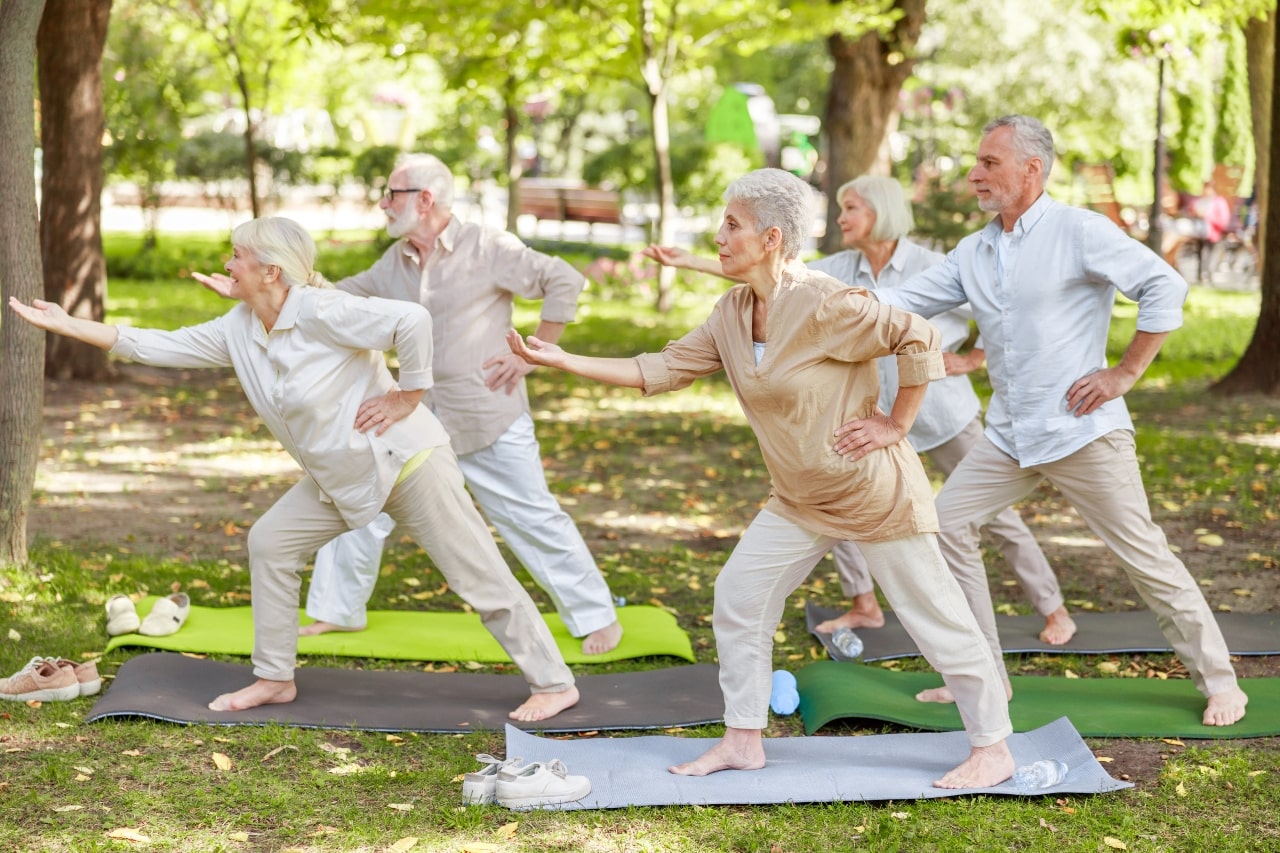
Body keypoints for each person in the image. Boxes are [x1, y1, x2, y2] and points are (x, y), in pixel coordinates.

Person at [509, 168, 1015, 789]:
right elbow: (662, 367)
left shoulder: (825, 301)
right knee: (739, 598)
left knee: (935, 618)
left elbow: (918, 335)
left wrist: (895, 423)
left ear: (772, 237)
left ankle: (993, 748)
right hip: (800, 498)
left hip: (871, 494)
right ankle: (743, 739)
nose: (718, 236)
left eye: (732, 224)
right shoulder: (732, 311)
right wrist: (563, 359)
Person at [9, 217, 579, 722]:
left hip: (406, 462)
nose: (227, 263)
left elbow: (412, 320)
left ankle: (555, 686)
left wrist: (409, 395)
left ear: (272, 271)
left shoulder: (322, 311)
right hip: (342, 477)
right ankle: (275, 677)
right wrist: (69, 324)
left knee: (477, 576)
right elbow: (154, 344)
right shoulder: (239, 327)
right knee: (271, 542)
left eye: (236, 255)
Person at [868, 115, 1248, 727]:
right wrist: (806, 293)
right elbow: (899, 302)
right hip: (1009, 438)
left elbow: (1164, 287)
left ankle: (1221, 681)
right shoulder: (975, 249)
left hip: (1083, 432)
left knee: (1146, 560)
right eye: (978, 161)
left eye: (989, 163)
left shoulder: (1079, 230)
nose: (975, 173)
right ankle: (984, 672)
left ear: (1030, 170)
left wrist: (1123, 374)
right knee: (943, 527)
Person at [213, 153, 623, 656]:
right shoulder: (396, 261)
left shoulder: (487, 246)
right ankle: (337, 611)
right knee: (356, 499)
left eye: (392, 194)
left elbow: (565, 280)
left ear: (424, 200)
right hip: (407, 422)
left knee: (531, 516)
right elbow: (338, 296)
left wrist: (535, 356)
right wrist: (259, 288)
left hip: (485, 412)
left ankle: (596, 617)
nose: (383, 203)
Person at [645, 175, 1074, 644]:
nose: (841, 217)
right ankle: (863, 604)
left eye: (852, 208)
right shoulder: (840, 268)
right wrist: (689, 261)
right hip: (868, 421)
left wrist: (972, 359)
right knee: (837, 511)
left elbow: (1002, 313)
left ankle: (1053, 608)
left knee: (991, 517)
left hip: (940, 414)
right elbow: (774, 271)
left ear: (881, 213)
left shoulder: (931, 265)